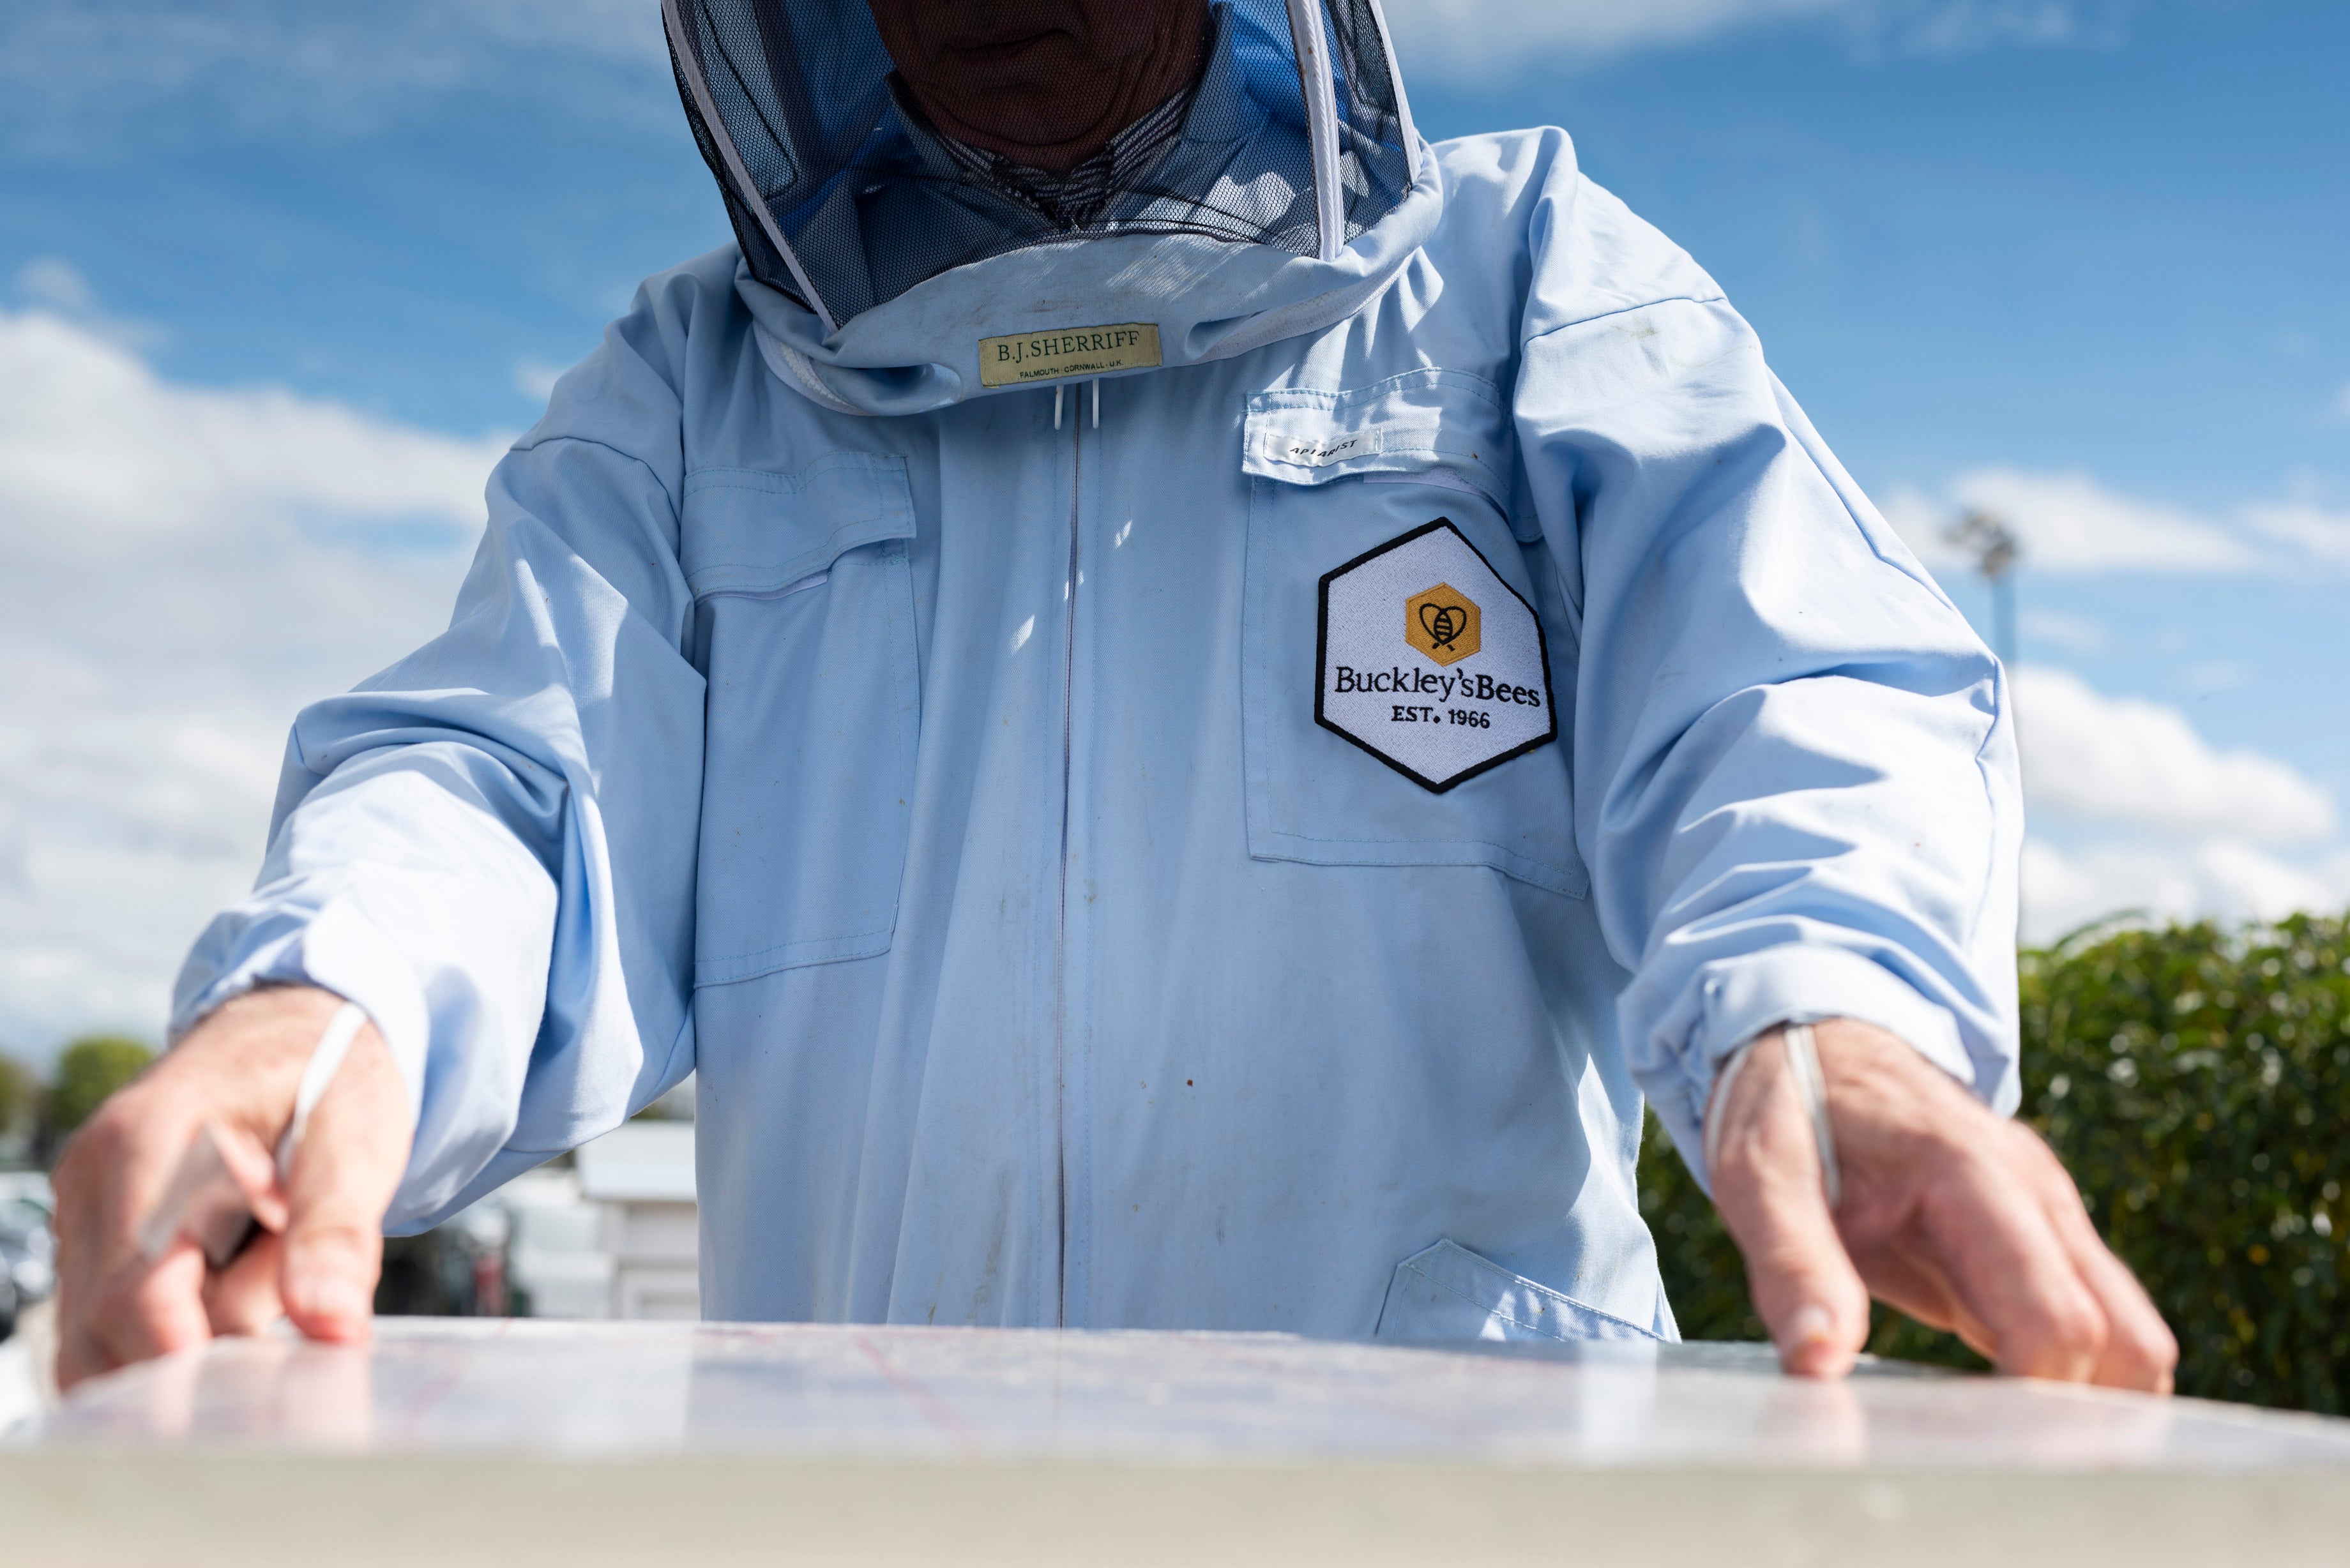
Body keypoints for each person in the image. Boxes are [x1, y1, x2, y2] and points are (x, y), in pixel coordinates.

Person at [54, 0, 2176, 1392]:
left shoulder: (1524, 273)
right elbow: (514, 780)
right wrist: (321, 1014)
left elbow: (1785, 683)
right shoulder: (692, 393)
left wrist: (1835, 1015)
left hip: (1460, 1503)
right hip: (867, 1511)